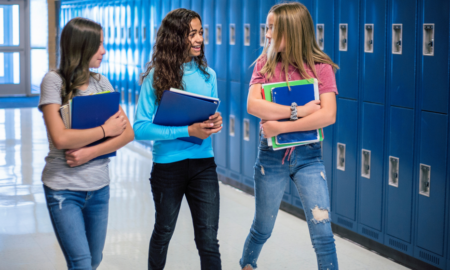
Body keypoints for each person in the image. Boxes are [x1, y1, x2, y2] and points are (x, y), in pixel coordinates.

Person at [240, 2, 339, 270]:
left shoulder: (320, 67)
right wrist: (299, 111)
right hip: (271, 158)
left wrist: (281, 125)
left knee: (323, 234)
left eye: (273, 28)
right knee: (263, 227)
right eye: (267, 27)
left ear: (293, 31)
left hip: (309, 157)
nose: (267, 34)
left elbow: (328, 115)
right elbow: (253, 105)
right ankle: (247, 264)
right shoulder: (265, 63)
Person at [39, 17, 134, 270]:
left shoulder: (102, 83)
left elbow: (127, 133)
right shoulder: (54, 81)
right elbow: (60, 137)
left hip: (99, 188)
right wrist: (105, 130)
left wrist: (89, 153)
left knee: (94, 261)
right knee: (81, 263)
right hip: (64, 189)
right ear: (81, 46)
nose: (104, 51)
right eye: (98, 44)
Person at [133, 8, 223, 270]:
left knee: (208, 241)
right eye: (191, 34)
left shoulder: (209, 75)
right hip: (168, 166)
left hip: (203, 163)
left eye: (201, 33)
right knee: (163, 233)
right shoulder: (156, 76)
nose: (199, 39)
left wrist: (214, 122)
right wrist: (187, 131)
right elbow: (140, 128)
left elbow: (210, 116)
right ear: (175, 37)